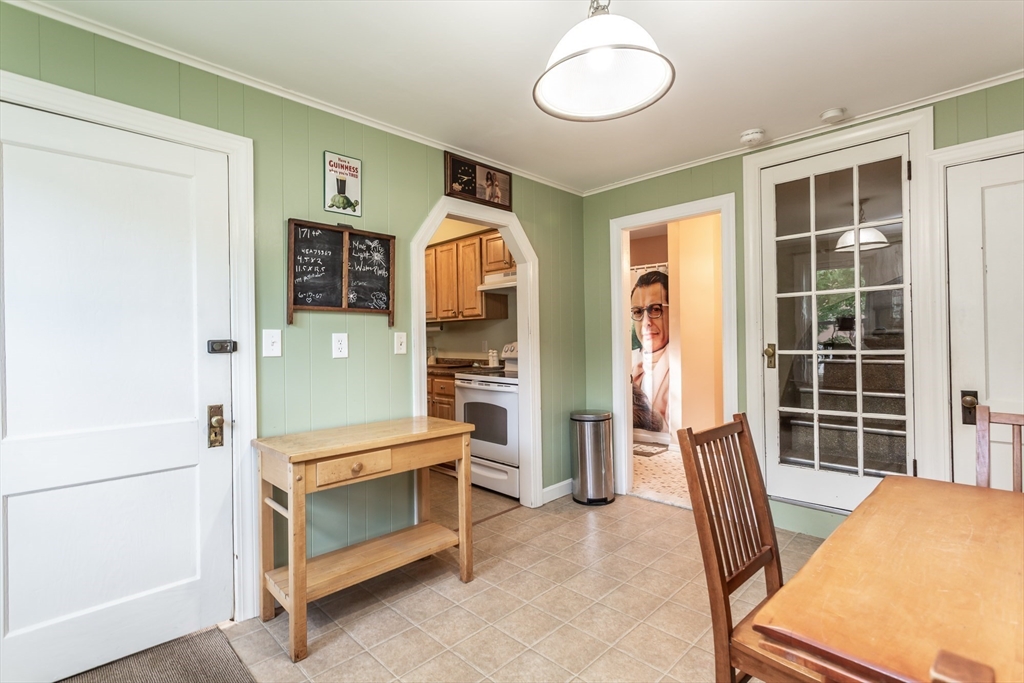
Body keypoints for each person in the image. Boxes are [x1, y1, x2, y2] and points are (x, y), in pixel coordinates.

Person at [630, 270, 670, 432]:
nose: (646, 322)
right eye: (638, 312)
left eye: (655, 309)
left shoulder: (683, 369)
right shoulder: (628, 363)